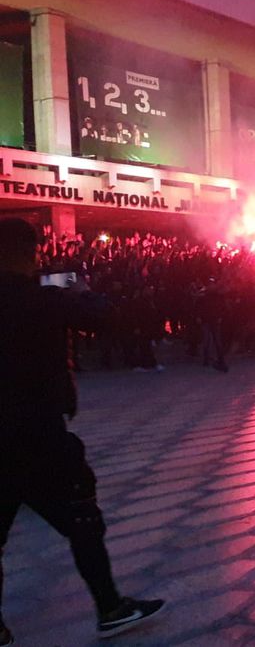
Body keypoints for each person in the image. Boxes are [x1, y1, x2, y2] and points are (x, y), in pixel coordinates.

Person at [0, 219, 164, 644]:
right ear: (27, 253)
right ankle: (110, 607)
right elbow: (108, 319)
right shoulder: (43, 300)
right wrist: (82, 292)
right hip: (40, 435)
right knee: (82, 519)